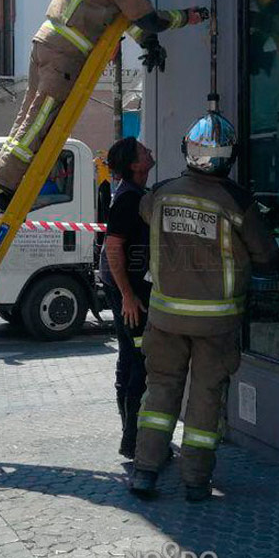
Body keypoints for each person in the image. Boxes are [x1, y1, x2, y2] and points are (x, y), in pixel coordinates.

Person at [0, 0, 206, 212]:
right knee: (39, 123)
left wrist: (147, 42)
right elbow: (146, 16)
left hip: (46, 43)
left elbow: (116, 18)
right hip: (64, 56)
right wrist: (187, 16)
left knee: (27, 119)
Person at [130, 111, 279, 503]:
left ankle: (145, 470)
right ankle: (195, 481)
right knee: (205, 397)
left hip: (165, 317)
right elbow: (266, 254)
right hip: (217, 323)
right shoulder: (236, 202)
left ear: (188, 150)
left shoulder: (161, 193)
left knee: (160, 392)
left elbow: (146, 213)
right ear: (229, 157)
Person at [99, 137, 155, 458]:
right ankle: (134, 441)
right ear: (135, 165)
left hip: (128, 289)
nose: (149, 151)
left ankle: (131, 436)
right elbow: (113, 246)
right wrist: (128, 296)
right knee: (138, 361)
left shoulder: (134, 195)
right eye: (143, 151)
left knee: (129, 357)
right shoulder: (127, 200)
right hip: (129, 292)